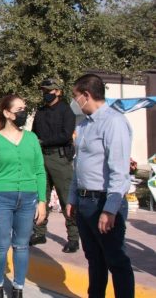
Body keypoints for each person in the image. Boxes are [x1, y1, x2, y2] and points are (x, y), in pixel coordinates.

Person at [66, 74, 134, 298]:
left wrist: (110, 208)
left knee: (116, 260)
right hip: (85, 202)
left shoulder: (114, 122)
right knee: (94, 260)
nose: (75, 102)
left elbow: (119, 171)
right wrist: (73, 198)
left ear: (87, 95)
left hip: (104, 202)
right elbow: (79, 165)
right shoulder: (85, 126)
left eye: (76, 97)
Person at [0, 95, 47, 298]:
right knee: (1, 246)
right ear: (7, 113)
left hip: (28, 200)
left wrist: (42, 201)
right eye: (19, 109)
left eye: (24, 108)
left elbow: (39, 171)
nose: (23, 113)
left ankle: (19, 287)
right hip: (1, 199)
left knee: (21, 246)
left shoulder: (31, 138)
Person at [30, 78, 79, 253]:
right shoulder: (41, 111)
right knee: (40, 196)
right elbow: (34, 133)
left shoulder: (67, 111)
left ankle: (73, 237)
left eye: (49, 91)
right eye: (43, 90)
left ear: (58, 91)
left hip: (59, 158)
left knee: (67, 198)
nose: (46, 94)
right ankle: (39, 232)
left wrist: (42, 142)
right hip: (42, 157)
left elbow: (66, 135)